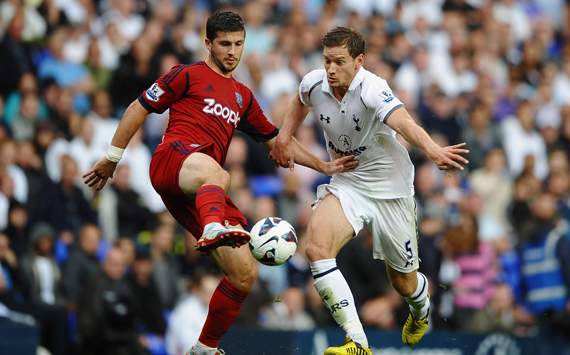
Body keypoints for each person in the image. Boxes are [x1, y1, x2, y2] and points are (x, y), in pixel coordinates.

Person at [83, 11, 357, 355]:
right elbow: (138, 108)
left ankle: (204, 347)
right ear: (207, 43)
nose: (232, 51)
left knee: (244, 274)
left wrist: (322, 164)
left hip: (197, 191)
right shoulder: (185, 75)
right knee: (220, 173)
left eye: (238, 44)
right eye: (224, 43)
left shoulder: (242, 96)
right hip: (173, 161)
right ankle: (212, 226)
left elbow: (276, 141)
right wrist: (112, 157)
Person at [271, 27, 469, 354]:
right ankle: (357, 342)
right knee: (317, 248)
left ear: (359, 61)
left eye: (339, 62)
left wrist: (433, 149)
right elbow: (300, 100)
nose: (331, 69)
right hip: (349, 181)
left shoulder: (373, 89)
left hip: (391, 189)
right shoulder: (314, 82)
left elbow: (403, 121)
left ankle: (420, 311)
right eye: (326, 61)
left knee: (403, 282)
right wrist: (284, 135)